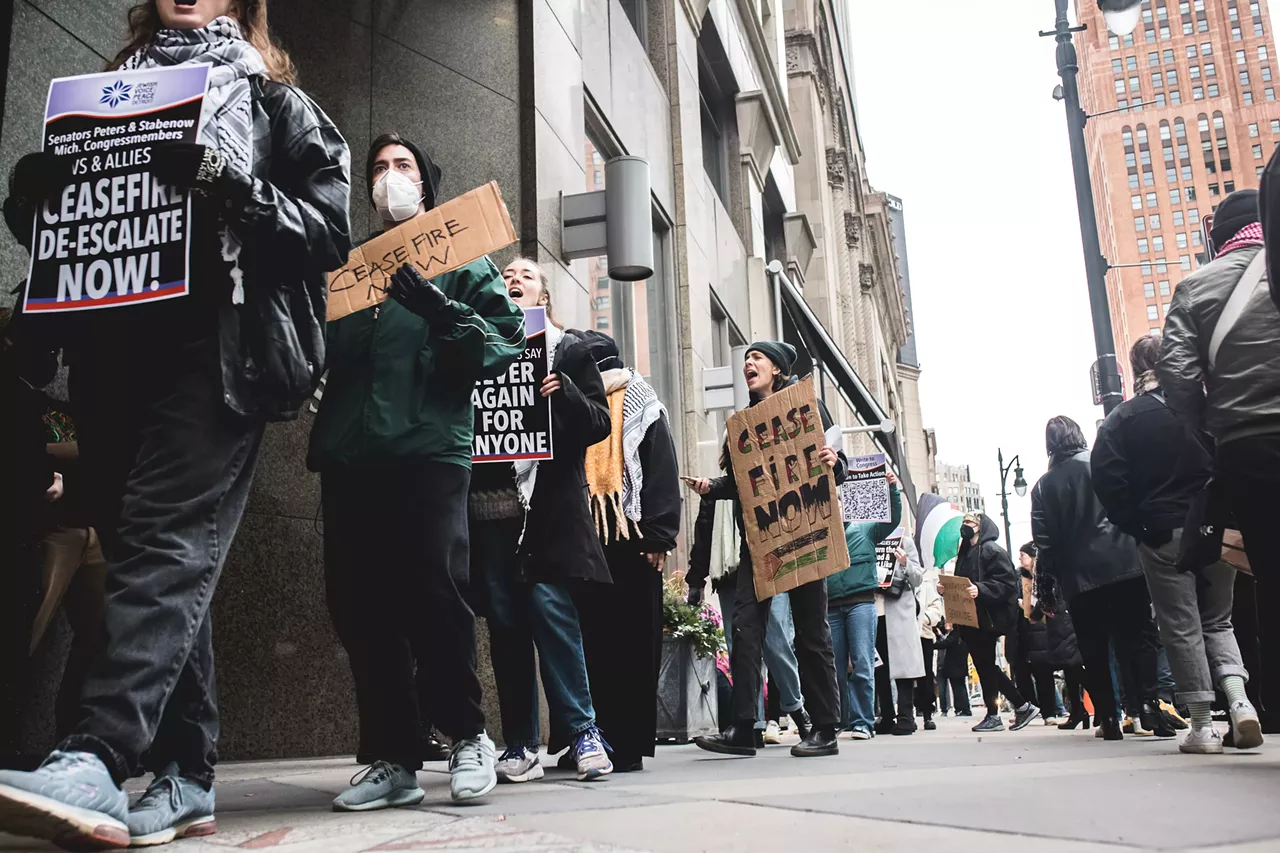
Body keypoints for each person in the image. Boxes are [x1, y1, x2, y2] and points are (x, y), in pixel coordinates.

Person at [0, 1, 352, 846]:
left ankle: (97, 751)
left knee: (164, 544)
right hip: (112, 358)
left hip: (218, 352)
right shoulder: (99, 101)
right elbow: (75, 237)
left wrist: (235, 187)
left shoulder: (272, 102)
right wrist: (32, 203)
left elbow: (331, 229)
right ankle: (190, 772)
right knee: (142, 558)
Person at [311, 134, 525, 809]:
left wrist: (439, 308)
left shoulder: (464, 261)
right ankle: (393, 756)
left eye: (402, 166)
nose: (388, 177)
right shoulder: (346, 270)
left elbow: (502, 344)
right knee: (359, 605)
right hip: (352, 457)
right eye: (377, 168)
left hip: (428, 452)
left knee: (435, 595)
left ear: (426, 184)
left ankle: (466, 734)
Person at [468, 257, 615, 785]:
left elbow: (599, 423)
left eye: (526, 275)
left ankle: (583, 732)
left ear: (544, 296)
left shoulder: (569, 351)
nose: (513, 280)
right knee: (505, 627)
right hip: (490, 516)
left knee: (551, 613)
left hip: (546, 514)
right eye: (506, 276)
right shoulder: (479, 346)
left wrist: (566, 393)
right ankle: (521, 743)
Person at [1094, 334, 1263, 753]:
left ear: (1134, 372)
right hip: (1216, 529)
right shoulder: (1202, 409)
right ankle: (1240, 703)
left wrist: (1138, 525)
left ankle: (1202, 728)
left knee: (1180, 625)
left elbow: (1108, 481)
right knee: (1218, 621)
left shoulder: (1122, 419)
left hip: (1162, 533)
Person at [690, 342, 848, 757]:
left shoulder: (807, 404)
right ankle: (745, 727)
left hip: (805, 535)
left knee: (812, 632)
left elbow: (837, 462)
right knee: (744, 629)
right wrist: (712, 487)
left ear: (777, 368)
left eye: (757, 358)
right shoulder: (743, 425)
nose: (748, 364)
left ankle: (826, 729)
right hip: (759, 543)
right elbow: (742, 483)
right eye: (746, 360)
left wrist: (837, 462)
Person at [1163, 186, 1280, 735]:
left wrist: (1211, 430)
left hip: (1246, 443)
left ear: (1217, 237)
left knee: (1271, 573)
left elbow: (1179, 380)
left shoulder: (1195, 288)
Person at [575, 331, 682, 772]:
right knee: (593, 644)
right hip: (589, 540)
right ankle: (595, 737)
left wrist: (658, 537)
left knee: (633, 646)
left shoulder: (640, 399)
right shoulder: (579, 403)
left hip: (633, 542)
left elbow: (660, 466)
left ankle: (630, 742)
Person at [1031, 416, 1171, 742]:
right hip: (1125, 565)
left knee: (1093, 648)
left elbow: (1045, 543)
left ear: (1049, 445)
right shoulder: (1101, 466)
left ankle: (1108, 716)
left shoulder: (1043, 487)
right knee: (1138, 638)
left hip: (1079, 578)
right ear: (1079, 436)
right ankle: (1149, 704)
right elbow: (1130, 506)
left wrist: (1048, 587)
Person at [941, 512, 1041, 733]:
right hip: (972, 620)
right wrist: (947, 590)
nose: (965, 527)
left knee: (985, 665)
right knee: (986, 665)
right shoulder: (966, 553)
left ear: (979, 526)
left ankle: (1000, 713)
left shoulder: (992, 551)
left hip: (986, 618)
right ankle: (1020, 706)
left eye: (969, 523)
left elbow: (1006, 585)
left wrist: (981, 589)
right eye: (964, 523)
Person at [827, 472, 903, 739]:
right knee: (833, 667)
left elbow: (892, 519)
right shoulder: (822, 538)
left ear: (843, 505)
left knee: (861, 662)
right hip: (831, 607)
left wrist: (893, 490)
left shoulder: (865, 529)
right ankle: (838, 721)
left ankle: (863, 723)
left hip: (860, 603)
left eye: (836, 503)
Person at [1015, 544, 1072, 724]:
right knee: (1024, 672)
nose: (1020, 559)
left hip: (1043, 629)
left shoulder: (1043, 577)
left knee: (1044, 672)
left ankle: (1050, 712)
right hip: (1025, 630)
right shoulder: (1019, 578)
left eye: (1023, 555)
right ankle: (1032, 708)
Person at [915, 554, 946, 730]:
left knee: (925, 674)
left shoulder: (926, 584)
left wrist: (925, 618)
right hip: (903, 633)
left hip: (923, 634)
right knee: (905, 675)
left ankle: (927, 712)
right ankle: (908, 711)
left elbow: (936, 608)